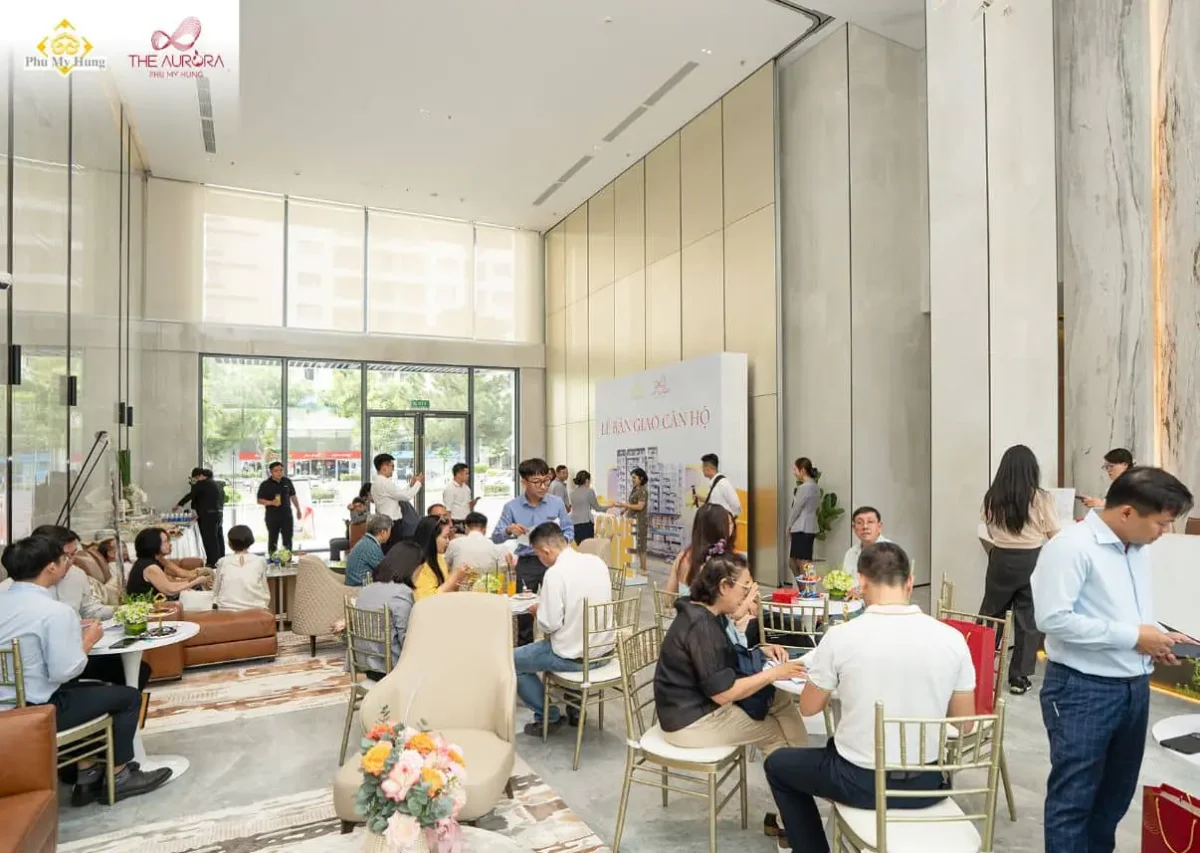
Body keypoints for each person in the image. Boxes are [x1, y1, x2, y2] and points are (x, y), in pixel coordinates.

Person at [764, 541, 976, 852]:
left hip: (859, 782)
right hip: (927, 783)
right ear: (910, 582)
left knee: (778, 765)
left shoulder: (841, 636)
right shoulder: (953, 639)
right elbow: (965, 724)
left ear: (861, 581)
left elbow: (808, 708)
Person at [1032, 467, 1193, 853]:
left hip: (1134, 688)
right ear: (1127, 512)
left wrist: (1159, 637)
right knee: (1074, 800)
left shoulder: (1135, 548)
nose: (1165, 532)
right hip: (1082, 690)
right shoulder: (1071, 546)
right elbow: (1053, 619)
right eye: (1161, 523)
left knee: (1115, 796)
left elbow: (1126, 611)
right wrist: (1135, 637)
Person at [0, 535, 173, 804]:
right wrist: (88, 640)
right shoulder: (53, 612)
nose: (68, 563)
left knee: (93, 689)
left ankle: (88, 774)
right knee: (127, 697)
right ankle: (119, 776)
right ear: (51, 567)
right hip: (35, 711)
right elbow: (64, 671)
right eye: (63, 559)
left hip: (8, 704)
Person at [655, 552, 807, 762]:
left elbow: (722, 655)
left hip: (696, 706)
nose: (746, 597)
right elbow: (724, 694)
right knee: (772, 732)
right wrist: (773, 674)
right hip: (691, 721)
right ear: (724, 586)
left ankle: (805, 766)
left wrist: (761, 651)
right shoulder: (702, 626)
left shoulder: (703, 611)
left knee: (779, 697)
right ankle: (799, 774)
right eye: (745, 588)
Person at [512, 522, 613, 735]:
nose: (540, 560)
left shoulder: (555, 574)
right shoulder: (597, 562)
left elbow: (550, 624)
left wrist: (538, 611)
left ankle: (548, 716)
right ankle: (575, 710)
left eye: (538, 555)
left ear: (545, 550)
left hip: (575, 658)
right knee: (572, 635)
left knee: (512, 661)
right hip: (604, 652)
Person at [980, 444, 1061, 694]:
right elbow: (1055, 534)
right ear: (1031, 469)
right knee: (1027, 620)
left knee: (992, 613)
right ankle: (1018, 677)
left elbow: (989, 529)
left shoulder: (992, 497)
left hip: (1000, 559)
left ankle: (979, 668)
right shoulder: (1041, 498)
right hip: (1032, 560)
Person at [492, 458, 575, 644]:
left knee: (558, 606)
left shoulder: (556, 503)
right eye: (537, 482)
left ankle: (558, 646)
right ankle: (525, 649)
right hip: (527, 563)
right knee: (524, 611)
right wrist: (509, 530)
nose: (543, 486)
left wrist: (561, 543)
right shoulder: (511, 507)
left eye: (546, 481)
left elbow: (569, 529)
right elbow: (496, 537)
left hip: (554, 563)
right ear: (524, 482)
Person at [351, 541, 420, 679]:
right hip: (391, 668)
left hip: (365, 664)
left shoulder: (367, 589)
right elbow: (406, 639)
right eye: (420, 569)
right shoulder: (401, 593)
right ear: (411, 567)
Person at [666, 504, 736, 595]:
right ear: (719, 528)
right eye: (727, 523)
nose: (731, 527)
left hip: (682, 604)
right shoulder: (721, 563)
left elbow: (668, 597)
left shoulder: (683, 556)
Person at [127, 528, 210, 599]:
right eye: (165, 541)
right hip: (145, 606)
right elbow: (170, 590)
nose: (169, 544)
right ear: (154, 544)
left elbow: (170, 581)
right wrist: (196, 581)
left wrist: (193, 581)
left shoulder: (152, 561)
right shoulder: (150, 567)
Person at [371, 453, 424, 550]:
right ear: (384, 467)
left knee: (388, 549)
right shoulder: (385, 482)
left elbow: (399, 494)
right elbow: (406, 496)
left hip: (385, 522)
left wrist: (411, 485)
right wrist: (419, 483)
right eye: (392, 466)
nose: (393, 469)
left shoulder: (377, 482)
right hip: (391, 523)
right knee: (393, 550)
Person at [174, 467, 224, 567]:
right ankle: (221, 560)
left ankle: (212, 563)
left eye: (196, 478)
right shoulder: (216, 484)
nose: (195, 481)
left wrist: (179, 505)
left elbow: (191, 495)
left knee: (209, 540)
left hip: (208, 516)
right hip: (218, 514)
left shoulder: (202, 484)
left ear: (200, 476)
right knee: (218, 538)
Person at [411, 514, 469, 600]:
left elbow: (447, 588)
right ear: (432, 538)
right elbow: (425, 601)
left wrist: (459, 580)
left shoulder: (439, 558)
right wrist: (454, 578)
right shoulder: (418, 565)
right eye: (445, 537)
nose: (448, 541)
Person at [212, 525, 270, 611]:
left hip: (226, 608)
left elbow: (215, 590)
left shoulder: (223, 562)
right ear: (251, 541)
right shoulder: (260, 561)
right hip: (256, 607)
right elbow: (265, 589)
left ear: (230, 544)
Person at [256, 462, 301, 555]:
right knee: (273, 538)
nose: (279, 473)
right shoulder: (265, 484)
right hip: (272, 515)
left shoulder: (287, 482)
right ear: (271, 472)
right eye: (276, 471)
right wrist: (271, 502)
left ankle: (287, 558)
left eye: (281, 470)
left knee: (287, 538)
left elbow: (293, 496)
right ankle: (272, 558)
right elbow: (259, 500)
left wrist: (298, 509)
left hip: (286, 515)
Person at [786, 458, 821, 572]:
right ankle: (804, 584)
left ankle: (808, 584)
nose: (794, 472)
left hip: (801, 528)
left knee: (801, 562)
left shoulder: (805, 487)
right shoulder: (815, 486)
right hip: (808, 527)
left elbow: (796, 508)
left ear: (803, 470)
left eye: (795, 469)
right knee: (795, 562)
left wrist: (789, 526)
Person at [614, 467, 649, 571]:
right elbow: (631, 503)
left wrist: (625, 505)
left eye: (634, 478)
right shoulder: (635, 489)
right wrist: (624, 509)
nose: (632, 480)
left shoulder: (643, 491)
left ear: (641, 478)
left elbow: (640, 506)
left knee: (641, 546)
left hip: (639, 522)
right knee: (628, 543)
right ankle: (628, 567)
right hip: (630, 521)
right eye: (632, 478)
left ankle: (643, 569)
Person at [345, 514, 392, 587]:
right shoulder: (372, 547)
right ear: (383, 533)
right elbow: (386, 571)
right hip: (359, 586)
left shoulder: (366, 541)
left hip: (354, 582)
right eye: (390, 531)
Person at [694, 453, 741, 520]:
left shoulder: (723, 483)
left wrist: (727, 520)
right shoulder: (714, 483)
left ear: (708, 468)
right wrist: (700, 498)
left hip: (722, 523)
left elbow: (736, 506)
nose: (702, 470)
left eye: (703, 467)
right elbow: (715, 502)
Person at [568, 470, 604, 543]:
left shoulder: (572, 493)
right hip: (586, 524)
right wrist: (610, 506)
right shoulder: (589, 491)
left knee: (580, 546)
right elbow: (597, 508)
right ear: (587, 480)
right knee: (588, 546)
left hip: (574, 524)